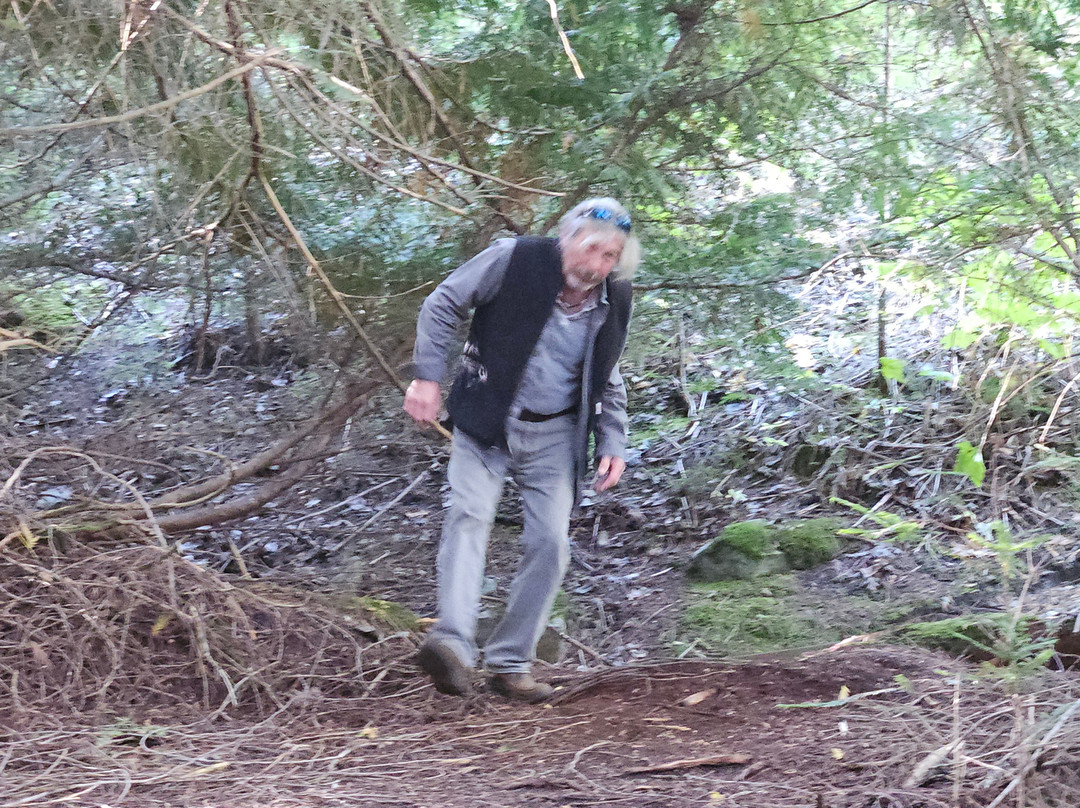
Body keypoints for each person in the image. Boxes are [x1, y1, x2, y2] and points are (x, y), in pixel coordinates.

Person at [403, 197, 639, 702]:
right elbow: (444, 302)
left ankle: (510, 666)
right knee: (469, 517)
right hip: (487, 419)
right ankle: (452, 646)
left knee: (551, 544)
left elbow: (608, 371)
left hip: (556, 433)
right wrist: (427, 377)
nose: (596, 265)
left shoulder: (614, 296)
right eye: (591, 249)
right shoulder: (513, 258)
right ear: (566, 237)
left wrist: (613, 439)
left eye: (610, 256)